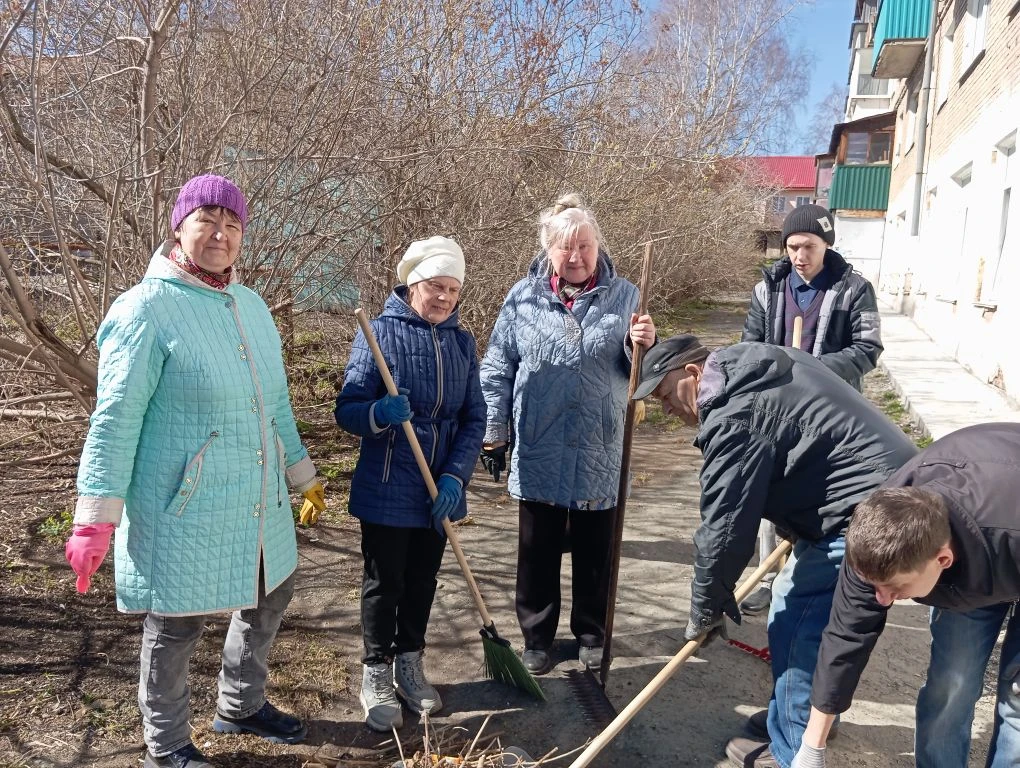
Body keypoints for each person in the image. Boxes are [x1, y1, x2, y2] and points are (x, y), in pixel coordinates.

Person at [64, 175, 326, 768]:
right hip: (184, 504)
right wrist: (94, 519)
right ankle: (168, 742)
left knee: (270, 593)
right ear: (178, 226)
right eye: (208, 218)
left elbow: (276, 405)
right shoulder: (145, 310)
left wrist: (302, 476)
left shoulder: (252, 307)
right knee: (177, 624)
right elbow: (115, 421)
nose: (221, 233)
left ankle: (240, 704)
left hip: (257, 498)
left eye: (233, 223)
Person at [633, 334, 916, 768]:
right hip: (882, 489)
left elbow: (725, 525)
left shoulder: (734, 415)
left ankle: (793, 750)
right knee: (797, 611)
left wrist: (705, 608)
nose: (667, 409)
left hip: (868, 513)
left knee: (798, 624)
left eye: (666, 394)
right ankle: (802, 720)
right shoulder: (758, 361)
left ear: (693, 372)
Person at [478, 194, 656, 676]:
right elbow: (497, 366)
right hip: (540, 442)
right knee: (537, 551)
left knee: (597, 550)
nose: (575, 257)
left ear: (599, 247)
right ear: (547, 250)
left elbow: (638, 374)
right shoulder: (522, 296)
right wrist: (494, 431)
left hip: (600, 444)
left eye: (584, 246)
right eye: (564, 248)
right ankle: (537, 637)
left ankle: (593, 633)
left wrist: (644, 345)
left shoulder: (626, 297)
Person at [797, 422, 1020, 768]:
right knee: (951, 682)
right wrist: (812, 748)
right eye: (876, 587)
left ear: (941, 559)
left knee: (1018, 698)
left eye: (897, 588)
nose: (883, 599)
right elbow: (846, 639)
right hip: (978, 529)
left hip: (1008, 528)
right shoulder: (876, 538)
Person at [335, 236, 486, 732]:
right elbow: (348, 410)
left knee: (423, 580)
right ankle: (375, 671)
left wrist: (454, 476)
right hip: (387, 483)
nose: (444, 297)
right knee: (386, 582)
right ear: (413, 284)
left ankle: (410, 662)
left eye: (453, 289)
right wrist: (377, 412)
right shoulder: (379, 333)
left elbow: (473, 417)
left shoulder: (463, 342)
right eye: (436, 286)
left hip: (436, 485)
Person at [740, 204, 883, 617]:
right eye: (791, 247)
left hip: (832, 411)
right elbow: (750, 345)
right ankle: (768, 579)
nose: (799, 256)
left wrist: (814, 369)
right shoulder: (768, 288)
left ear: (826, 244)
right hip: (778, 409)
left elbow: (867, 349)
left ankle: (811, 577)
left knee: (823, 494)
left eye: (808, 246)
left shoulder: (854, 288)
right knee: (771, 490)